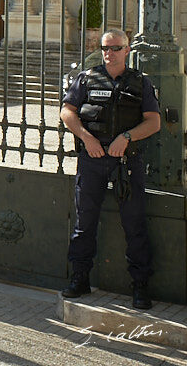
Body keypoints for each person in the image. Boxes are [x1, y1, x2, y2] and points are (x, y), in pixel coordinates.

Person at [60, 28, 161, 309]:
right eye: (105, 47)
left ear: (127, 50)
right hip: (92, 158)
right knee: (84, 223)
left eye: (115, 48)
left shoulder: (141, 82)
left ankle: (140, 286)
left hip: (126, 162)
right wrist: (86, 137)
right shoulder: (87, 78)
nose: (109, 53)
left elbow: (153, 122)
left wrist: (127, 137)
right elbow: (67, 111)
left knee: (135, 224)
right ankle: (79, 279)